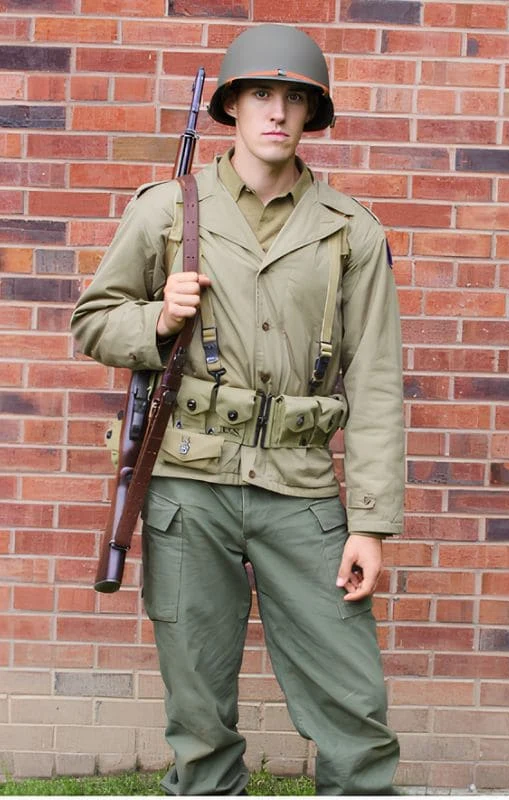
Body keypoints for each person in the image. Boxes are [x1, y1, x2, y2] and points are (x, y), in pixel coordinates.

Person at [72, 23, 403, 795]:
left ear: (311, 114)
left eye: (295, 98)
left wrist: (370, 523)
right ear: (231, 105)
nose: (277, 111)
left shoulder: (351, 231)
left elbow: (378, 381)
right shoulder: (165, 210)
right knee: (198, 713)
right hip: (188, 483)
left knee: (354, 705)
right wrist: (156, 319)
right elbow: (93, 321)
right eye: (262, 93)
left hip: (302, 492)